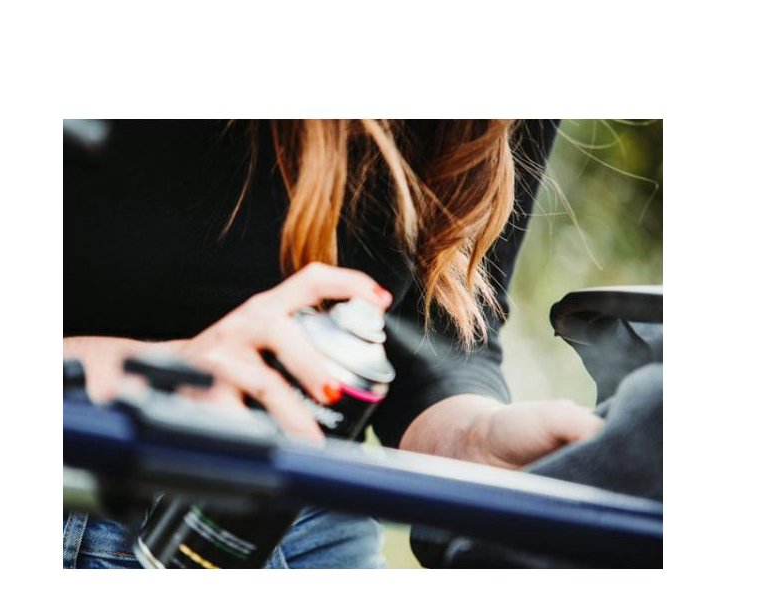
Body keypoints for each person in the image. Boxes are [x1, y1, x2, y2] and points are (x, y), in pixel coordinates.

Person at [63, 119, 604, 569]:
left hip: (311, 513)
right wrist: (153, 374)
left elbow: (432, 325)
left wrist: (471, 442)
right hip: (84, 472)